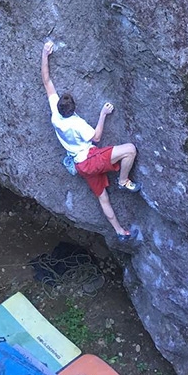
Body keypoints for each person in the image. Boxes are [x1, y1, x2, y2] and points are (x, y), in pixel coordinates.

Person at [41, 40, 139, 240]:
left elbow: (47, 81)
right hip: (90, 159)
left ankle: (120, 232)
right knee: (130, 149)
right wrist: (103, 114)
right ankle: (123, 181)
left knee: (103, 199)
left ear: (59, 106)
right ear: (73, 109)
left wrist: (45, 53)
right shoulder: (77, 125)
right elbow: (96, 137)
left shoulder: (55, 114)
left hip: (80, 165)